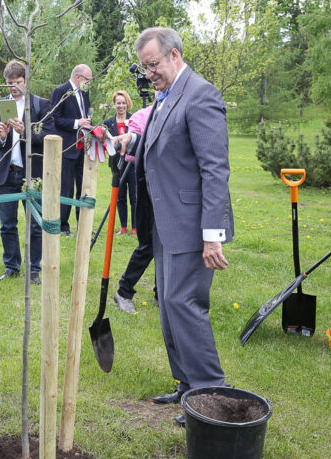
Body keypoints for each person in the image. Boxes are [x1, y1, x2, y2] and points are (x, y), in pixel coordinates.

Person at [113, 27, 234, 426]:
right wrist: (133, 143)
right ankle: (186, 384)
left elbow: (214, 169)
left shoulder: (200, 94)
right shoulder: (165, 97)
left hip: (191, 224)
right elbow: (164, 142)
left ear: (175, 55)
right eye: (145, 67)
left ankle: (209, 394)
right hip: (165, 224)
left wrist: (213, 235)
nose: (149, 74)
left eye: (154, 65)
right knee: (168, 306)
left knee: (186, 305)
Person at [0, 60, 52, 284]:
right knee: (7, 224)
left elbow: (49, 137)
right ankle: (11, 267)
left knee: (35, 224)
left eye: (18, 83)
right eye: (9, 83)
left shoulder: (41, 105)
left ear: (26, 81)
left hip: (32, 175)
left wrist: (26, 133)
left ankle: (33, 270)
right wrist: (1, 136)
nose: (14, 87)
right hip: (5, 174)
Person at [112, 105, 156, 314]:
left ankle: (161, 294)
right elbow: (132, 148)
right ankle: (124, 291)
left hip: (170, 189)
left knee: (167, 244)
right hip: (147, 187)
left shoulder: (179, 108)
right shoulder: (141, 116)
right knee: (148, 245)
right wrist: (131, 139)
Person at [50, 64, 92, 237]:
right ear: (78, 76)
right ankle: (63, 225)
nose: (89, 84)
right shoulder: (61, 91)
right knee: (66, 187)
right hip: (67, 147)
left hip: (83, 146)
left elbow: (86, 113)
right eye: (88, 80)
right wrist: (76, 123)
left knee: (83, 187)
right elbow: (54, 119)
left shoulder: (84, 92)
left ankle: (83, 224)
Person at [104, 90, 135, 236]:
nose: (121, 106)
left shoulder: (134, 120)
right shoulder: (108, 123)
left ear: (127, 104)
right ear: (114, 105)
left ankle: (135, 228)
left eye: (123, 103)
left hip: (132, 163)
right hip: (116, 164)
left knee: (134, 196)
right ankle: (123, 227)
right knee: (120, 195)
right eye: (118, 103)